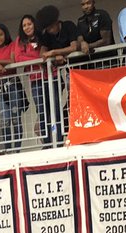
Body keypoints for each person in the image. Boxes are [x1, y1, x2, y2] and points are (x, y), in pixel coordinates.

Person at [36, 5, 78, 146]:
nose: (49, 31)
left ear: (56, 22)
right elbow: (42, 54)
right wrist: (55, 57)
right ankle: (62, 136)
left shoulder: (68, 26)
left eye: (50, 28)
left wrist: (55, 53)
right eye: (47, 29)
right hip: (63, 71)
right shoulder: (46, 35)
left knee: (75, 100)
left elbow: (74, 47)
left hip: (78, 69)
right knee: (58, 104)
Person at [0, 24, 24, 151]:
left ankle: (17, 150)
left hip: (13, 86)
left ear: (6, 34)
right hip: (0, 88)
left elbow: (13, 60)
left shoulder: (12, 45)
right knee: (5, 120)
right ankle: (9, 149)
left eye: (1, 34)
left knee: (15, 119)